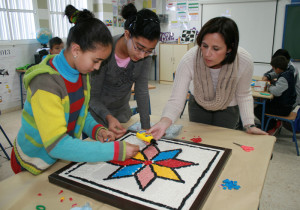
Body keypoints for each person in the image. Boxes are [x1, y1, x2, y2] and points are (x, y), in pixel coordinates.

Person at [10, 5, 139, 175]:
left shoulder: (81, 73)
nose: (98, 67)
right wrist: (115, 151)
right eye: (96, 60)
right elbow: (57, 144)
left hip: (57, 158)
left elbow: (80, 113)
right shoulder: (46, 84)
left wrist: (97, 130)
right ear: (76, 50)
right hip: (32, 162)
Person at [148, 17, 267, 140]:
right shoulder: (190, 58)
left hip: (229, 107)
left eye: (216, 49)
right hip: (199, 104)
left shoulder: (244, 60)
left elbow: (243, 94)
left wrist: (249, 124)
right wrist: (164, 122)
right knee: (198, 140)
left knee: (223, 142)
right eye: (204, 46)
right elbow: (176, 99)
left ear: (230, 48)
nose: (207, 53)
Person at [89, 3, 160, 138]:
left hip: (122, 117)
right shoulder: (105, 52)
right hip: (96, 120)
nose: (141, 55)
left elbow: (141, 91)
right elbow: (92, 97)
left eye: (148, 51)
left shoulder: (145, 57)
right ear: (127, 35)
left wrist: (146, 129)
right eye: (139, 47)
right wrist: (108, 117)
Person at [255, 56, 296, 135]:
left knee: (258, 110)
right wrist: (268, 76)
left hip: (284, 108)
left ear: (278, 69)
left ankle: (270, 127)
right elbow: (275, 75)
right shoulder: (287, 71)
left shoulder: (284, 78)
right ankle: (271, 124)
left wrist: (268, 86)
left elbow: (276, 92)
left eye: (273, 68)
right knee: (262, 106)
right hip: (285, 104)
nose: (273, 70)